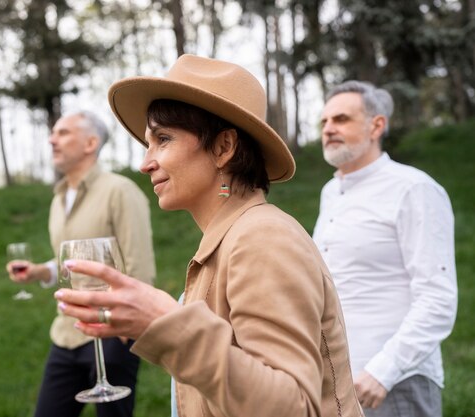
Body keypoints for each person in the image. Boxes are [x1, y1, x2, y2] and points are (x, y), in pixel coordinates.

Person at [54, 54, 364, 417]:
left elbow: (291, 406)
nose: (145, 162)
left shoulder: (263, 238)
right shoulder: (231, 237)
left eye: (163, 139)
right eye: (148, 143)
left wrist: (166, 324)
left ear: (223, 147)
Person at [312, 80, 458, 416]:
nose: (329, 129)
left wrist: (384, 370)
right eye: (325, 122)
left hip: (394, 384)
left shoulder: (414, 189)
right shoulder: (330, 193)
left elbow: (438, 298)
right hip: (336, 384)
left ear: (376, 125)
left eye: (341, 119)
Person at [6, 110, 156, 417]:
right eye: (53, 133)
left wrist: (126, 332)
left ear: (90, 143)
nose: (52, 139)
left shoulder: (120, 190)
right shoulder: (58, 198)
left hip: (112, 333)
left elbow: (138, 263)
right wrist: (41, 271)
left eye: (63, 133)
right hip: (66, 333)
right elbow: (71, 260)